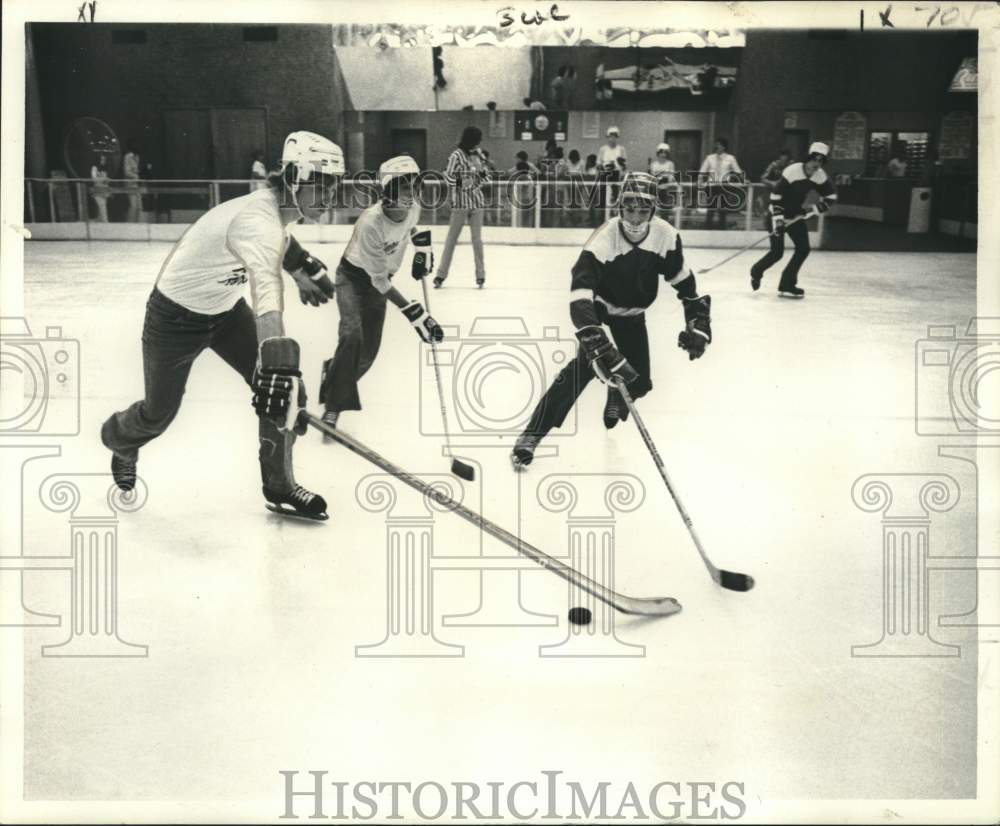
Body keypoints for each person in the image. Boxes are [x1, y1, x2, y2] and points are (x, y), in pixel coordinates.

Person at [101, 131, 341, 520]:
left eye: (335, 186)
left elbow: (279, 243)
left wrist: (301, 265)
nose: (331, 197)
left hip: (226, 313)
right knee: (158, 413)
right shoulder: (257, 221)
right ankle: (118, 439)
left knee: (284, 394)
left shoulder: (273, 215)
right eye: (323, 186)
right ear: (296, 178)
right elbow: (266, 293)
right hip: (174, 317)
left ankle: (279, 486)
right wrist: (277, 366)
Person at [511, 172, 713, 468]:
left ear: (653, 210)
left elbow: (683, 281)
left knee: (639, 382)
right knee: (579, 373)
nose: (635, 218)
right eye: (630, 208)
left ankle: (614, 392)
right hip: (601, 311)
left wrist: (697, 320)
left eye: (643, 210)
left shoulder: (665, 235)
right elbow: (580, 291)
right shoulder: (604, 238)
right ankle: (531, 435)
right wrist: (595, 340)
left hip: (633, 316)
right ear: (620, 206)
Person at [319, 155, 443, 432]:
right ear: (388, 193)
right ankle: (333, 406)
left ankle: (334, 373)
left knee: (367, 354)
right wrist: (415, 313)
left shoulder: (414, 208)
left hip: (382, 278)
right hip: (352, 278)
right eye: (405, 189)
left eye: (415, 187)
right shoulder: (370, 223)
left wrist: (422, 250)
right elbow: (378, 281)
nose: (412, 195)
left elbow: (410, 230)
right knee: (352, 336)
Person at [749, 141, 836, 299]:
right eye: (814, 160)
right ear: (807, 159)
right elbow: (775, 197)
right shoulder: (792, 171)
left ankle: (787, 284)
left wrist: (811, 210)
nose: (816, 165)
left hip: (796, 216)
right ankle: (756, 271)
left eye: (821, 161)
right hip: (775, 214)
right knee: (777, 253)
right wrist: (779, 221)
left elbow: (831, 197)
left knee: (803, 249)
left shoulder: (820, 176)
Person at [434, 126, 487, 289]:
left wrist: (481, 179)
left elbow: (485, 175)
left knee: (477, 240)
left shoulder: (478, 155)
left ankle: (480, 275)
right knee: (451, 239)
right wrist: (462, 183)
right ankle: (441, 275)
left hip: (477, 202)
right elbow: (447, 176)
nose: (478, 144)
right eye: (476, 141)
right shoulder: (456, 155)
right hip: (460, 203)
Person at [698, 137, 742, 230]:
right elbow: (702, 171)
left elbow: (737, 170)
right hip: (712, 185)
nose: (717, 146)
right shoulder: (710, 158)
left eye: (719, 145)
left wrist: (743, 179)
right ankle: (707, 230)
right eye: (716, 144)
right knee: (711, 209)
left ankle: (722, 230)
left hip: (724, 185)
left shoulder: (730, 158)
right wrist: (700, 181)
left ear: (724, 147)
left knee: (722, 210)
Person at [122, 141, 142, 222]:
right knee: (133, 206)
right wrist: (135, 176)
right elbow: (126, 171)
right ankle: (130, 225)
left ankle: (138, 225)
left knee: (139, 207)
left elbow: (136, 169)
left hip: (136, 184)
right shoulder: (127, 157)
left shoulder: (137, 157)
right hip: (129, 184)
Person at [90, 154, 110, 222]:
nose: (103, 161)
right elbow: (94, 179)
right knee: (103, 208)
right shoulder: (94, 168)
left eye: (104, 160)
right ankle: (106, 223)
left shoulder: (105, 169)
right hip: (98, 191)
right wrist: (103, 179)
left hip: (104, 191)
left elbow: (106, 181)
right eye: (102, 159)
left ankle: (96, 223)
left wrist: (107, 180)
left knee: (101, 211)